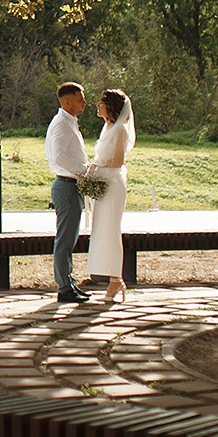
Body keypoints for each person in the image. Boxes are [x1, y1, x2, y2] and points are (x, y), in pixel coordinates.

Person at [84, 88, 137, 303]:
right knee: (102, 230)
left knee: (112, 230)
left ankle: (116, 280)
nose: (98, 105)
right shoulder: (107, 127)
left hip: (112, 184)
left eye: (101, 102)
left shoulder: (120, 130)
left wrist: (96, 167)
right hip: (103, 182)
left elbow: (117, 161)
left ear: (110, 106)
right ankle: (114, 278)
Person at [45, 82, 92, 303]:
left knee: (69, 239)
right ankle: (64, 287)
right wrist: (84, 171)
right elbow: (59, 156)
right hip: (66, 185)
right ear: (67, 102)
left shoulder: (69, 122)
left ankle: (68, 283)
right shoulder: (61, 125)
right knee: (64, 240)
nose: (84, 102)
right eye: (80, 99)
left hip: (71, 184)